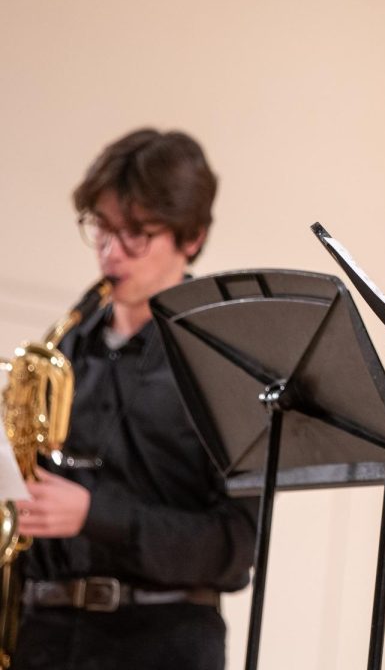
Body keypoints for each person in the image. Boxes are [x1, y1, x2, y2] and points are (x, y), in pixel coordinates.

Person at [12, 129, 257, 670]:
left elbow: (234, 547)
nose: (109, 252)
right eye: (101, 227)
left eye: (136, 234)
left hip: (159, 644)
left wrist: (96, 515)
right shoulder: (64, 349)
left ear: (190, 238)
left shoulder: (224, 364)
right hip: (44, 637)